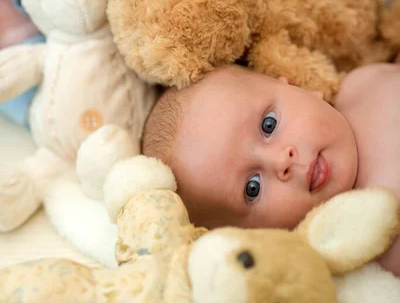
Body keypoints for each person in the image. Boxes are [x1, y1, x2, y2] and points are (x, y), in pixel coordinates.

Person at [142, 61, 400, 277]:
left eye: (269, 125)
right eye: (252, 188)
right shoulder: (360, 254)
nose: (282, 160)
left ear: (298, 88)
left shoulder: (362, 84)